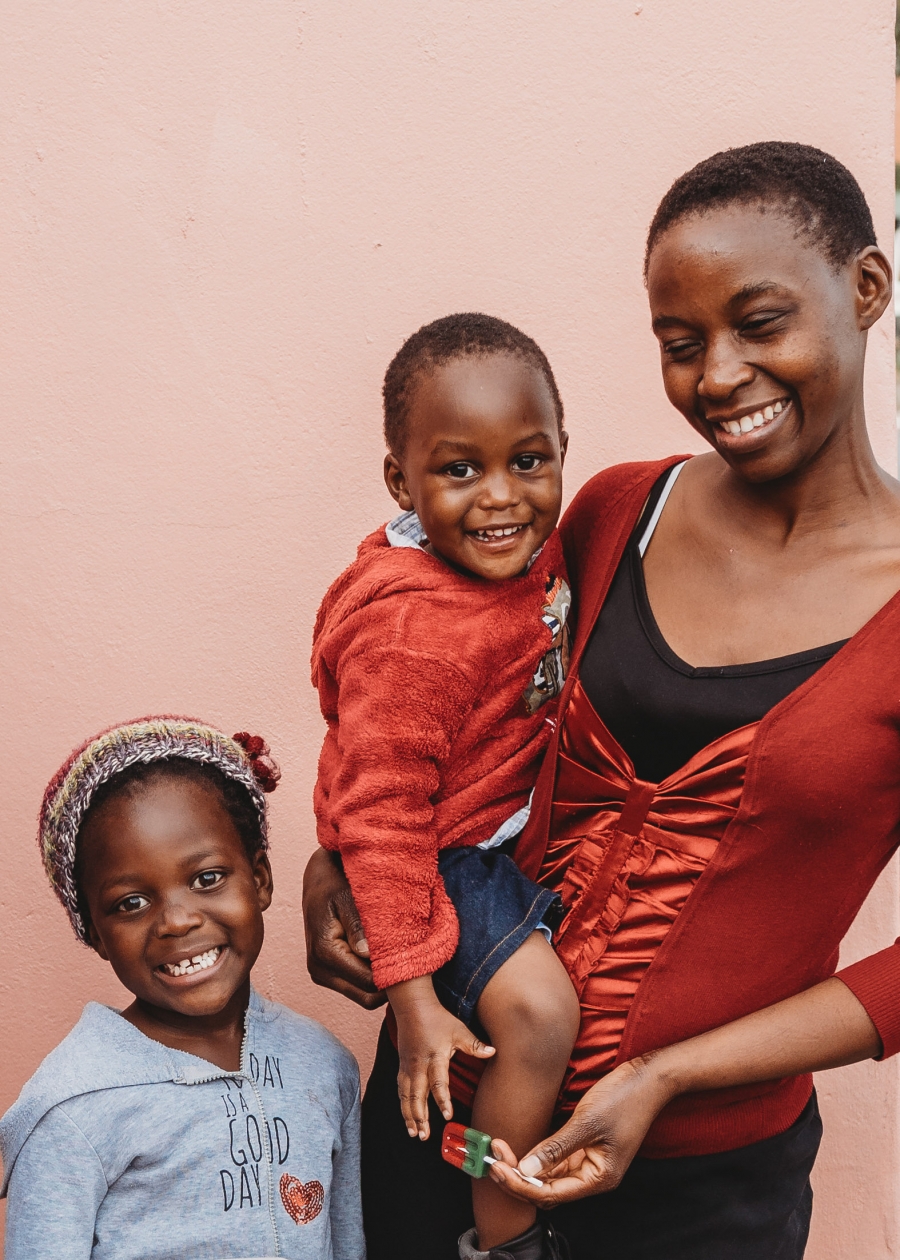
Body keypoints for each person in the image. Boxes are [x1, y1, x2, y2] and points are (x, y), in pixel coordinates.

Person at [303, 141, 900, 1259]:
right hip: (453, 1108)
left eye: (761, 323)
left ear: (865, 288)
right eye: (681, 345)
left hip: (703, 1187)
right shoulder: (616, 510)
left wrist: (668, 1072)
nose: (718, 376)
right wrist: (336, 859)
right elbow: (436, 718)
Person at [311, 313, 580, 1260]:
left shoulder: (536, 553)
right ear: (402, 481)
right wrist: (414, 995)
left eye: (530, 461)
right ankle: (503, 1229)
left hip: (491, 841)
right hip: (440, 856)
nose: (501, 498)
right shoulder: (414, 636)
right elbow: (380, 816)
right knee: (541, 1018)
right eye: (460, 471)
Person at [1, 718, 364, 1260]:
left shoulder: (324, 1064)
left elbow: (345, 1242)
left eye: (207, 878)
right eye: (131, 903)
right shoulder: (72, 1107)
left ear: (260, 879)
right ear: (96, 935)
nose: (176, 921)